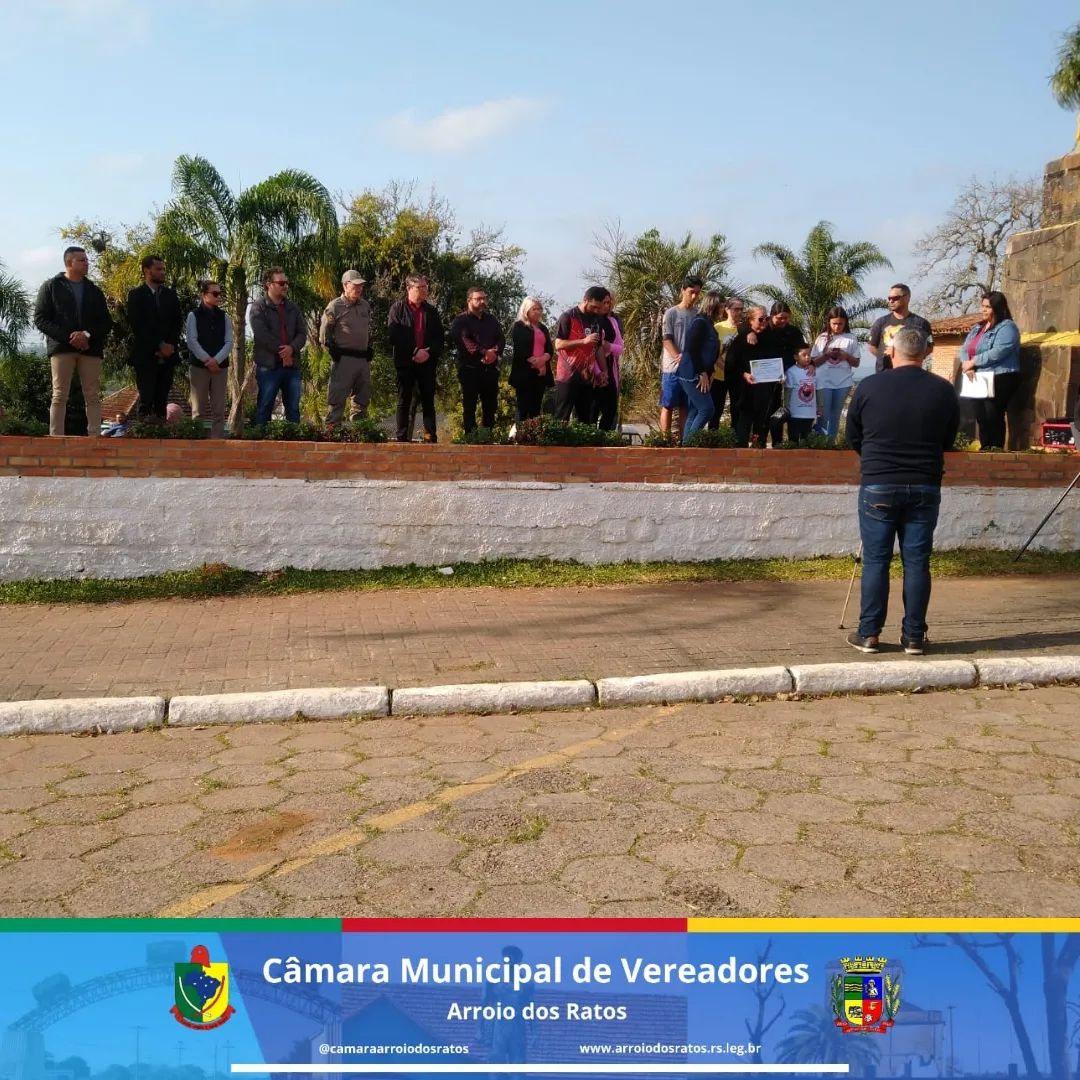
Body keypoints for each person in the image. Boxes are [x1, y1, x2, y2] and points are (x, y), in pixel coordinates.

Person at [845, 327, 959, 655]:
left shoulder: (869, 386)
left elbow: (854, 435)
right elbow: (947, 439)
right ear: (925, 354)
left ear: (892, 352)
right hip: (924, 482)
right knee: (917, 562)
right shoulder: (943, 390)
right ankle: (914, 636)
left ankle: (869, 633)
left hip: (879, 481)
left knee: (877, 560)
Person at [33, 246, 114, 437]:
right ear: (69, 262)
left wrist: (86, 335)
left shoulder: (94, 290)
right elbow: (41, 318)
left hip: (90, 349)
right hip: (62, 348)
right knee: (59, 394)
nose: (87, 263)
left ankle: (94, 436)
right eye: (82, 260)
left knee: (92, 395)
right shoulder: (51, 286)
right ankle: (56, 437)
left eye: (86, 260)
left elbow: (106, 322)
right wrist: (70, 336)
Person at [959, 291, 1021, 450]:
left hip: (1000, 375)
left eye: (988, 307)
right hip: (977, 376)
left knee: (992, 413)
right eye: (983, 306)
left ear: (997, 308)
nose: (983, 310)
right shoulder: (977, 328)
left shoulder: (1007, 327)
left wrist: (974, 361)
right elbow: (965, 349)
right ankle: (985, 446)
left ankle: (995, 447)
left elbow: (999, 351)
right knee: (980, 415)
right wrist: (968, 365)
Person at [387, 274, 444, 442]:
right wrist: (414, 351)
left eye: (425, 287)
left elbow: (439, 338)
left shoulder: (431, 311)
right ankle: (402, 437)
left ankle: (430, 436)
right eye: (420, 287)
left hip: (427, 363)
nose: (424, 290)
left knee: (428, 400)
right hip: (405, 362)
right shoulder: (397, 309)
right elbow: (393, 335)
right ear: (409, 289)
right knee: (404, 400)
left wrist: (428, 352)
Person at [127, 254, 183, 421]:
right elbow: (138, 325)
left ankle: (161, 434)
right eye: (158, 269)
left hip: (168, 356)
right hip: (146, 355)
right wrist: (159, 345)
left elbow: (177, 322)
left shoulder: (171, 295)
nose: (162, 272)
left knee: (162, 399)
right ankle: (144, 435)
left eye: (164, 269)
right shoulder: (136, 295)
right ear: (147, 270)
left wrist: (170, 345)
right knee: (147, 398)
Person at [250, 267, 306, 425]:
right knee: (264, 407)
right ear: (269, 284)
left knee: (293, 410)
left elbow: (302, 333)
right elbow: (262, 335)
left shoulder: (293, 308)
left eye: (286, 283)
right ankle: (260, 444)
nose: (285, 286)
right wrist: (284, 352)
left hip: (292, 367)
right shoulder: (258, 307)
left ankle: (293, 445)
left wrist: (291, 349)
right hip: (269, 366)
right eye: (281, 283)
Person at [321, 269, 373, 427]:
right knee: (337, 400)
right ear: (345, 285)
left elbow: (368, 330)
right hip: (344, 360)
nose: (359, 289)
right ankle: (331, 435)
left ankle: (360, 434)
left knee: (362, 401)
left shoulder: (365, 306)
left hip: (362, 360)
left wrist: (369, 347)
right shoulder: (335, 306)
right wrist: (332, 351)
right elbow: (324, 334)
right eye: (355, 285)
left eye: (361, 286)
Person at [452, 286, 505, 434]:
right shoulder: (461, 320)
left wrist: (494, 352)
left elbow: (501, 338)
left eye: (484, 298)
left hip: (490, 370)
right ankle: (471, 437)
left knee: (490, 405)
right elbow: (463, 340)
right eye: (478, 299)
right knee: (470, 405)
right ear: (469, 300)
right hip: (470, 369)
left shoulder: (491, 319)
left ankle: (486, 435)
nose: (482, 301)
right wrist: (484, 353)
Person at [727, 306, 782, 448]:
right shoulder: (741, 339)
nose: (764, 322)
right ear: (750, 320)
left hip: (764, 392)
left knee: (761, 424)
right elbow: (731, 363)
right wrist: (743, 374)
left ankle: (759, 454)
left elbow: (776, 360)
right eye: (760, 319)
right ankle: (740, 452)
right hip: (744, 392)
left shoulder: (771, 337)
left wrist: (780, 375)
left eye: (766, 319)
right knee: (743, 423)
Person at [553, 286, 609, 422]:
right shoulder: (568, 316)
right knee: (562, 418)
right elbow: (558, 344)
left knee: (585, 420)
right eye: (594, 307)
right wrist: (583, 341)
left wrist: (604, 371)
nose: (597, 310)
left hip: (587, 377)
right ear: (585, 300)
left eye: (599, 308)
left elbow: (599, 347)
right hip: (567, 376)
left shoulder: (598, 319)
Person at [186, 279, 232, 438]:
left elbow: (229, 342)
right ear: (204, 295)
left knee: (219, 410)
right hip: (199, 367)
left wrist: (216, 361)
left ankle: (217, 441)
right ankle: (196, 440)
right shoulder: (194, 315)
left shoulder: (224, 317)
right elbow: (191, 340)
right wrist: (207, 360)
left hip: (220, 368)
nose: (218, 296)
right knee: (198, 409)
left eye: (220, 293)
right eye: (215, 293)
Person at [659, 276, 703, 438]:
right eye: (691, 292)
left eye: (697, 293)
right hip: (672, 368)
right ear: (683, 290)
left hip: (691, 370)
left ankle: (683, 441)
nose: (694, 296)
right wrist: (678, 357)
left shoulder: (698, 314)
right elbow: (666, 339)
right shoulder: (671, 313)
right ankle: (664, 439)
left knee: (686, 406)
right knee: (668, 404)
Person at [810, 305, 860, 441]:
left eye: (840, 324)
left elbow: (856, 362)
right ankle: (819, 442)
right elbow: (813, 362)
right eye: (834, 324)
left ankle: (831, 443)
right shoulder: (821, 338)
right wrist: (826, 355)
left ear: (845, 323)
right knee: (823, 414)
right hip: (823, 381)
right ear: (829, 323)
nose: (837, 327)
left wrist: (846, 356)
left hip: (843, 382)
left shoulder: (851, 338)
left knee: (835, 415)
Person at [678, 292, 723, 442]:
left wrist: (709, 372)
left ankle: (687, 447)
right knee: (706, 409)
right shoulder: (700, 323)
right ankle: (691, 444)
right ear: (714, 306)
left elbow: (711, 353)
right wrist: (701, 372)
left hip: (700, 372)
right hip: (691, 373)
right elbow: (693, 348)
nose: (722, 310)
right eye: (721, 307)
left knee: (695, 410)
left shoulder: (709, 324)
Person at [869, 284, 933, 373]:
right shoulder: (880, 322)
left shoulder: (922, 323)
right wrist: (883, 356)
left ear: (907, 298)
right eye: (889, 298)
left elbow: (929, 347)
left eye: (895, 298)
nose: (891, 301)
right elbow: (872, 346)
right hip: (884, 373)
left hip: (911, 374)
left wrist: (914, 358)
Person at [509, 296, 553, 421]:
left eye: (540, 309)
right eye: (534, 309)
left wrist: (544, 359)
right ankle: (518, 437)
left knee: (536, 408)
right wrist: (536, 362)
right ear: (526, 310)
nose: (538, 312)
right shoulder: (519, 326)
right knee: (522, 408)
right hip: (524, 373)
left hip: (540, 374)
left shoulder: (543, 328)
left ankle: (533, 438)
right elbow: (521, 348)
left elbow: (550, 349)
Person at [707, 297, 744, 429]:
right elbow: (710, 351)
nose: (739, 312)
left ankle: (735, 441)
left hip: (737, 377)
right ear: (727, 309)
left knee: (736, 410)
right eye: (736, 309)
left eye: (741, 309)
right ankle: (713, 439)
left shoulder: (745, 329)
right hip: (718, 375)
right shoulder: (717, 327)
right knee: (716, 410)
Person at [774, 345, 817, 445]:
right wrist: (786, 407)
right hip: (794, 414)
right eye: (804, 355)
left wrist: (820, 406)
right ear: (796, 357)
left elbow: (817, 389)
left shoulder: (814, 371)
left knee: (807, 442)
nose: (807, 357)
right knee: (793, 441)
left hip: (809, 413)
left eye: (809, 355)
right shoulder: (791, 372)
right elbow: (788, 391)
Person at [592, 294, 623, 431]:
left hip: (610, 366)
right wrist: (598, 372)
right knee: (592, 408)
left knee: (610, 408)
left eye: (609, 303)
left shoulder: (613, 321)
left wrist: (608, 346)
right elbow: (591, 347)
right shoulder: (591, 320)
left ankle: (604, 438)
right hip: (592, 366)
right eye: (604, 302)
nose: (607, 305)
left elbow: (620, 348)